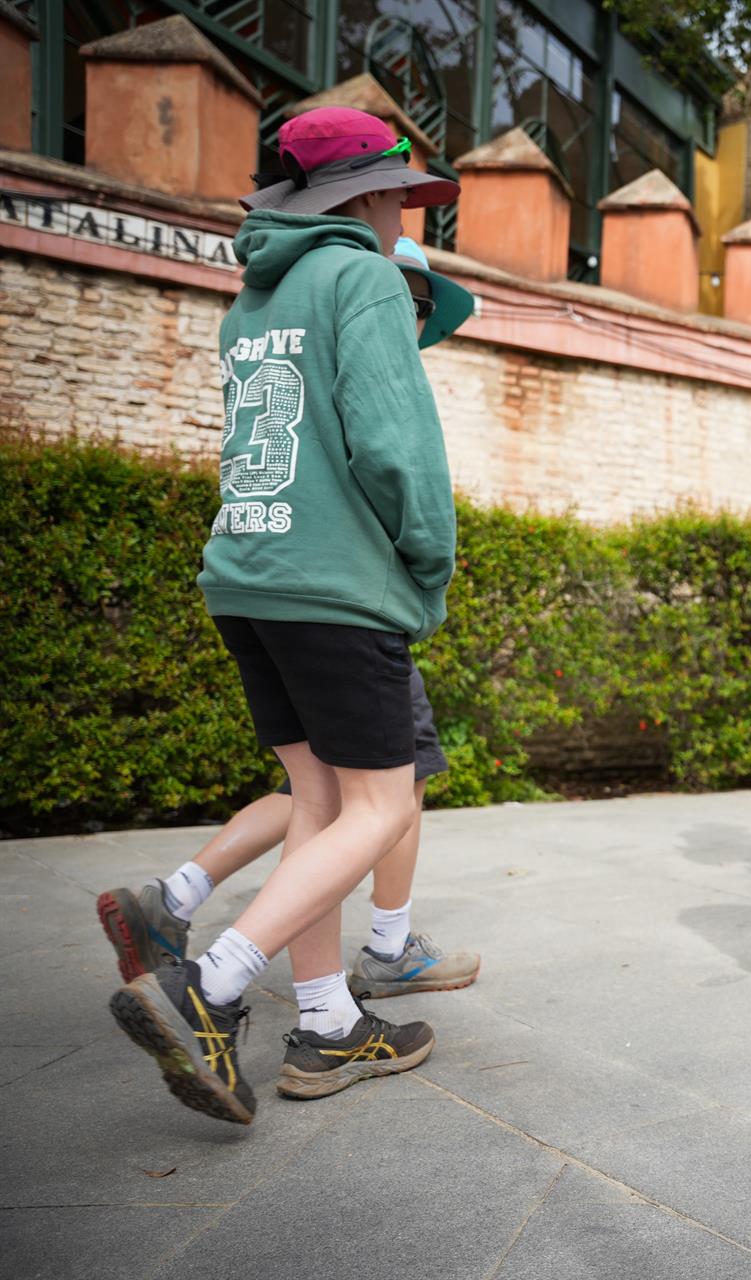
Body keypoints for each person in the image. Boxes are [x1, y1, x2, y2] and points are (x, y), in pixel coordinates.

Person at [106, 107, 460, 1125]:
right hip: (332, 581)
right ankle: (208, 984)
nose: (408, 219)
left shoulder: (255, 296)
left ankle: (327, 1019)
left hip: (248, 571)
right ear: (372, 196)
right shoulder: (363, 277)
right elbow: (399, 450)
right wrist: (427, 564)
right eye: (402, 199)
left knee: (320, 800)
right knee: (385, 806)